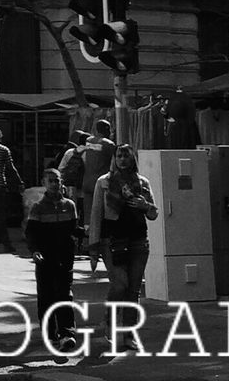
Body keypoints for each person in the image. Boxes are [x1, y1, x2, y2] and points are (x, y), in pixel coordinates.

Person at [87, 143, 158, 348]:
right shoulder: (105, 182)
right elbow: (96, 215)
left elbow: (153, 214)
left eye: (126, 156)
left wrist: (146, 205)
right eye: (119, 156)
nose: (122, 160)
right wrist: (93, 247)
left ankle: (129, 334)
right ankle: (109, 322)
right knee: (120, 285)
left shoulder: (142, 182)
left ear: (133, 159)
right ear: (114, 158)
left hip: (138, 240)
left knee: (133, 290)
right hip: (112, 242)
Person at [25, 167, 81, 352]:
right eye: (51, 181)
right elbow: (31, 233)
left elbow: (74, 229)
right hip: (45, 258)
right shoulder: (38, 208)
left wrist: (89, 234)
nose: (55, 184)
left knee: (64, 295)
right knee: (47, 296)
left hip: (65, 257)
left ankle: (67, 334)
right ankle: (50, 334)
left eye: (57, 180)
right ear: (44, 183)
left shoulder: (69, 205)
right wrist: (34, 251)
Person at [80, 121, 115, 272]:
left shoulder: (88, 142)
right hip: (100, 184)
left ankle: (89, 247)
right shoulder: (108, 144)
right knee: (101, 216)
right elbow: (115, 163)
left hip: (87, 181)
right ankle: (100, 247)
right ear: (106, 130)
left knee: (89, 216)